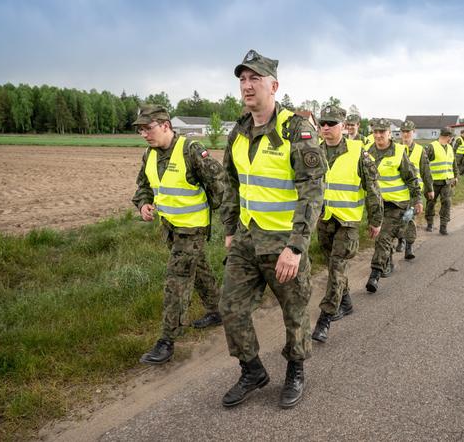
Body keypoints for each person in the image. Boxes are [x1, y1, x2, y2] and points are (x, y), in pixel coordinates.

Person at [218, 50, 326, 409]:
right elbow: (231, 183)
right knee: (230, 307)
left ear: (274, 85)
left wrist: (296, 247)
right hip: (247, 240)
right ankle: (252, 370)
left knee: (293, 314)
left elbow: (312, 190)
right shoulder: (238, 131)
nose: (247, 86)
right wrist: (231, 228)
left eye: (255, 79)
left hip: (284, 242)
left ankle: (296, 369)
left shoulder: (296, 129)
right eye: (243, 80)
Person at [132, 104, 226, 365]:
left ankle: (167, 341)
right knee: (201, 268)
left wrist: (213, 214)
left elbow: (219, 185)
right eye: (140, 130)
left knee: (178, 279)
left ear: (165, 125)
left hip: (193, 228)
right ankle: (217, 311)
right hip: (171, 227)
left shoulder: (191, 150)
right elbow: (144, 186)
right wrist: (143, 205)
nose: (144, 134)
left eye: (148, 128)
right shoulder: (149, 155)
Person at [311, 105, 383, 343]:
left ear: (344, 126)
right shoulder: (315, 152)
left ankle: (325, 319)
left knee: (336, 266)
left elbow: (373, 189)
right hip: (325, 220)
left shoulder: (358, 152)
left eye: (331, 123)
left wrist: (376, 219)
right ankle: (347, 302)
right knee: (334, 266)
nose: (326, 128)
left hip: (348, 222)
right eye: (322, 123)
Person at [365, 118, 422, 293]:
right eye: (375, 131)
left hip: (397, 204)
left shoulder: (398, 152)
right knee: (385, 237)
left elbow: (411, 178)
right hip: (377, 204)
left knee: (383, 236)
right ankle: (387, 260)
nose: (378, 135)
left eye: (382, 132)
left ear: (390, 133)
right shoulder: (367, 152)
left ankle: (375, 274)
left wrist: (418, 199)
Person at [396, 119, 434, 259]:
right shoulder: (395, 149)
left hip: (414, 192)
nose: (406, 134)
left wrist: (429, 189)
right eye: (403, 132)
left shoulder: (420, 150)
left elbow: (426, 172)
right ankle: (401, 239)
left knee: (410, 218)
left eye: (408, 132)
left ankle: (409, 247)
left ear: (413, 132)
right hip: (397, 191)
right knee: (399, 218)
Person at [424, 128, 459, 235]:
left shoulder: (449, 147)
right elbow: (424, 164)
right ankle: (430, 223)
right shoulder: (431, 146)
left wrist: (456, 176)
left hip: (447, 182)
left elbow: (453, 163)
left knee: (447, 203)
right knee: (430, 203)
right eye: (451, 137)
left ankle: (443, 226)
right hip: (433, 182)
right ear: (448, 136)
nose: (452, 139)